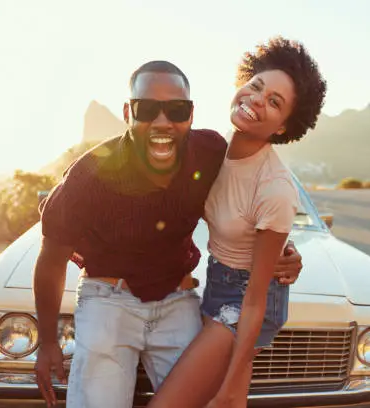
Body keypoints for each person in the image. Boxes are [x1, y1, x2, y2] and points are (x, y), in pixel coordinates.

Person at [32, 60, 304, 408]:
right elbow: (51, 260)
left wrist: (284, 248)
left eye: (176, 110)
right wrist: (48, 343)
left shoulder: (209, 153)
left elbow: (249, 204)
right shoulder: (90, 175)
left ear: (191, 114)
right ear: (128, 111)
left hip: (178, 299)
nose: (162, 122)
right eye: (147, 109)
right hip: (108, 299)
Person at [148, 37, 327, 408]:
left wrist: (232, 388)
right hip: (217, 282)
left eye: (275, 102)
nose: (258, 99)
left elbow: (256, 301)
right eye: (257, 85)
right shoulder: (214, 149)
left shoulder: (275, 189)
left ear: (283, 126)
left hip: (245, 301)